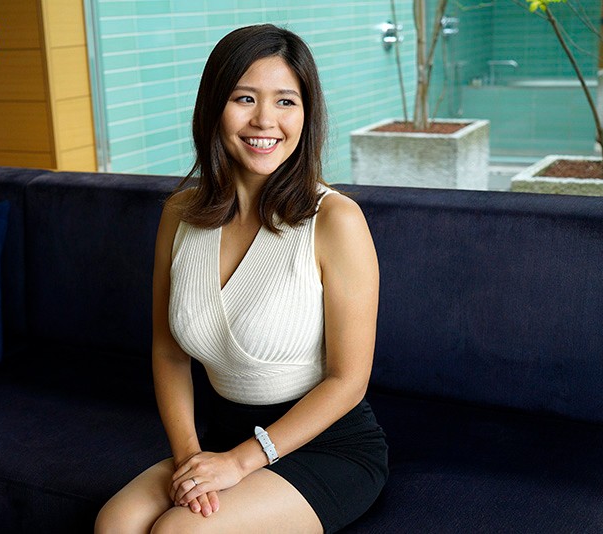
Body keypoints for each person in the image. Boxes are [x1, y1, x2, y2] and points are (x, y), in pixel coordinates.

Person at [95, 24, 388, 534]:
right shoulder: (180, 214)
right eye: (244, 98)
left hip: (326, 447)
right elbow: (168, 352)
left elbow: (348, 380)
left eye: (285, 101)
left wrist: (240, 462)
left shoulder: (336, 220)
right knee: (115, 524)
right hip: (221, 438)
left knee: (179, 531)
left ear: (307, 114)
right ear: (214, 107)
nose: (264, 120)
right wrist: (191, 458)